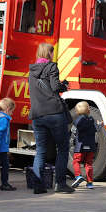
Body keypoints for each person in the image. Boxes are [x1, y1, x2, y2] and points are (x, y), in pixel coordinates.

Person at [29, 42, 73, 195]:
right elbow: (55, 88)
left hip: (37, 115)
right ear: (48, 54)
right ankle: (60, 184)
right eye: (51, 52)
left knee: (40, 150)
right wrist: (63, 86)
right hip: (54, 113)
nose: (52, 55)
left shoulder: (32, 70)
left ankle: (38, 185)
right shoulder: (52, 67)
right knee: (62, 148)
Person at [70, 101, 98, 189]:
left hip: (80, 146)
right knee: (88, 164)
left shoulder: (77, 121)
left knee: (76, 161)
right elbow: (96, 129)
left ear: (77, 112)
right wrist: (99, 125)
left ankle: (78, 176)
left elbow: (73, 132)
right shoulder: (92, 120)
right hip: (91, 146)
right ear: (88, 111)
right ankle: (90, 183)